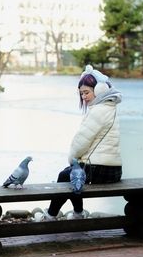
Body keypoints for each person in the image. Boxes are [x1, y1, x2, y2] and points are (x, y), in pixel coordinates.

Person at [36, 65, 123, 221]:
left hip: (99, 170)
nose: (84, 97)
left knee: (65, 176)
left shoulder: (98, 110)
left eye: (87, 92)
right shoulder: (111, 108)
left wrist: (72, 159)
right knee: (72, 174)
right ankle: (77, 213)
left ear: (99, 90)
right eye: (81, 93)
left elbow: (81, 142)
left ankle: (52, 215)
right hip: (114, 170)